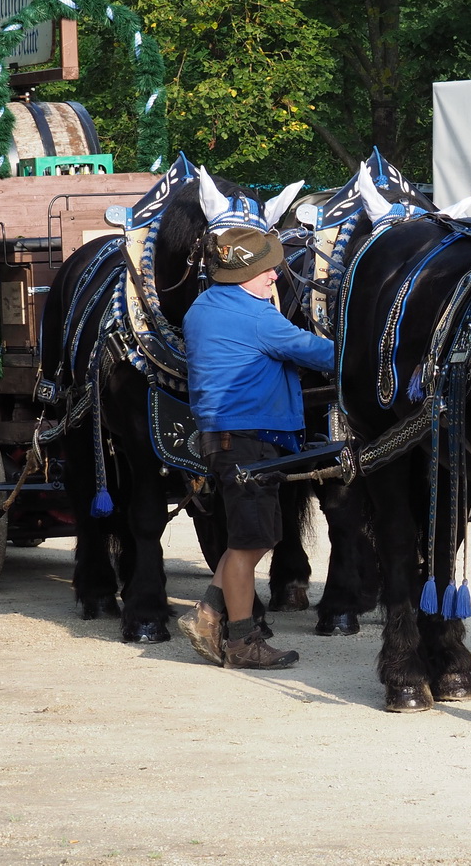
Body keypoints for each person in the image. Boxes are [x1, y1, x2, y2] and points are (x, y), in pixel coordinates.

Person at [177, 224, 335, 671]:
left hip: (224, 438)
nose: (274, 278)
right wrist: (377, 354)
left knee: (249, 537)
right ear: (242, 273)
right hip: (251, 439)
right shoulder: (258, 317)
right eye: (267, 270)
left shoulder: (202, 307)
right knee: (252, 542)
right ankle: (243, 642)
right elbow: (319, 354)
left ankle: (207, 614)